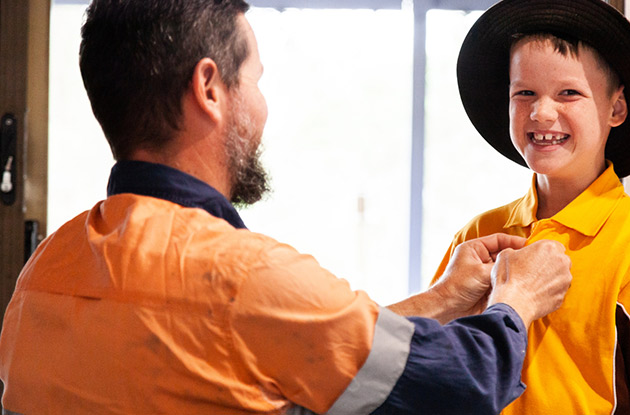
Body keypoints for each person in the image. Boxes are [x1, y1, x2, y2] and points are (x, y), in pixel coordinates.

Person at [0, 1, 574, 414]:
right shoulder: (242, 278)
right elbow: (461, 386)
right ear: (209, 88)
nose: (263, 105)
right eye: (255, 79)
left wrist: (444, 298)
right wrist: (515, 302)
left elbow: (288, 347)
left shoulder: (43, 274)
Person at [430, 0, 630, 413]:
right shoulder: (476, 235)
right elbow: (433, 364)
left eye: (569, 93)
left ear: (615, 109)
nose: (542, 113)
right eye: (524, 92)